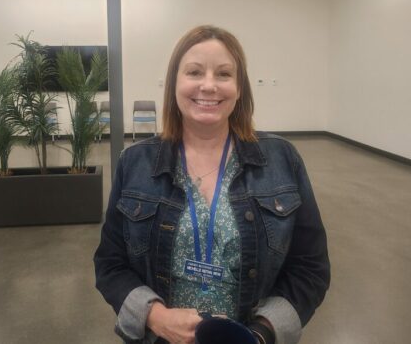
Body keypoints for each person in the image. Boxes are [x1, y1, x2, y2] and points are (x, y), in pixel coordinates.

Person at [94, 25, 330, 344]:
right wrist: (158, 318)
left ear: (240, 88)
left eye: (223, 74)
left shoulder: (282, 159)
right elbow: (110, 264)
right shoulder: (135, 162)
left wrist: (260, 333)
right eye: (194, 72)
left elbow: (310, 268)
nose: (208, 85)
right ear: (174, 84)